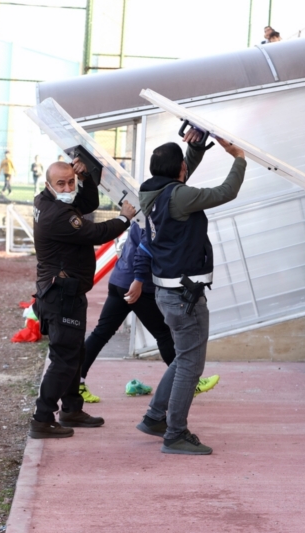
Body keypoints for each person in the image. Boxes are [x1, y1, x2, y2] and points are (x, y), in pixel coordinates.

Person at [79, 129, 220, 403]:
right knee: (164, 334)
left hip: (122, 278)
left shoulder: (152, 193)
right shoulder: (162, 199)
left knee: (102, 333)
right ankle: (189, 380)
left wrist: (197, 147)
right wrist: (140, 280)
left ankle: (76, 381)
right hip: (136, 281)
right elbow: (145, 247)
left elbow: (183, 173)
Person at [135, 134, 246, 455]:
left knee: (184, 357)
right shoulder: (178, 196)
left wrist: (194, 149)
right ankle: (175, 434)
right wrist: (238, 157)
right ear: (180, 169)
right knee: (190, 365)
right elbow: (227, 191)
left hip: (167, 292)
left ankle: (156, 416)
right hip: (185, 297)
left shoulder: (153, 192)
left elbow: (178, 180)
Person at [28, 158, 136, 439]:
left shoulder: (46, 201)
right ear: (49, 185)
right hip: (61, 294)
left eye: (71, 181)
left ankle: (71, 408)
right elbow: (95, 232)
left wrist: (86, 179)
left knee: (75, 353)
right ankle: (42, 418)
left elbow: (86, 205)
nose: (67, 187)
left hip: (66, 291)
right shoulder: (57, 216)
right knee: (65, 358)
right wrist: (124, 218)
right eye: (61, 183)